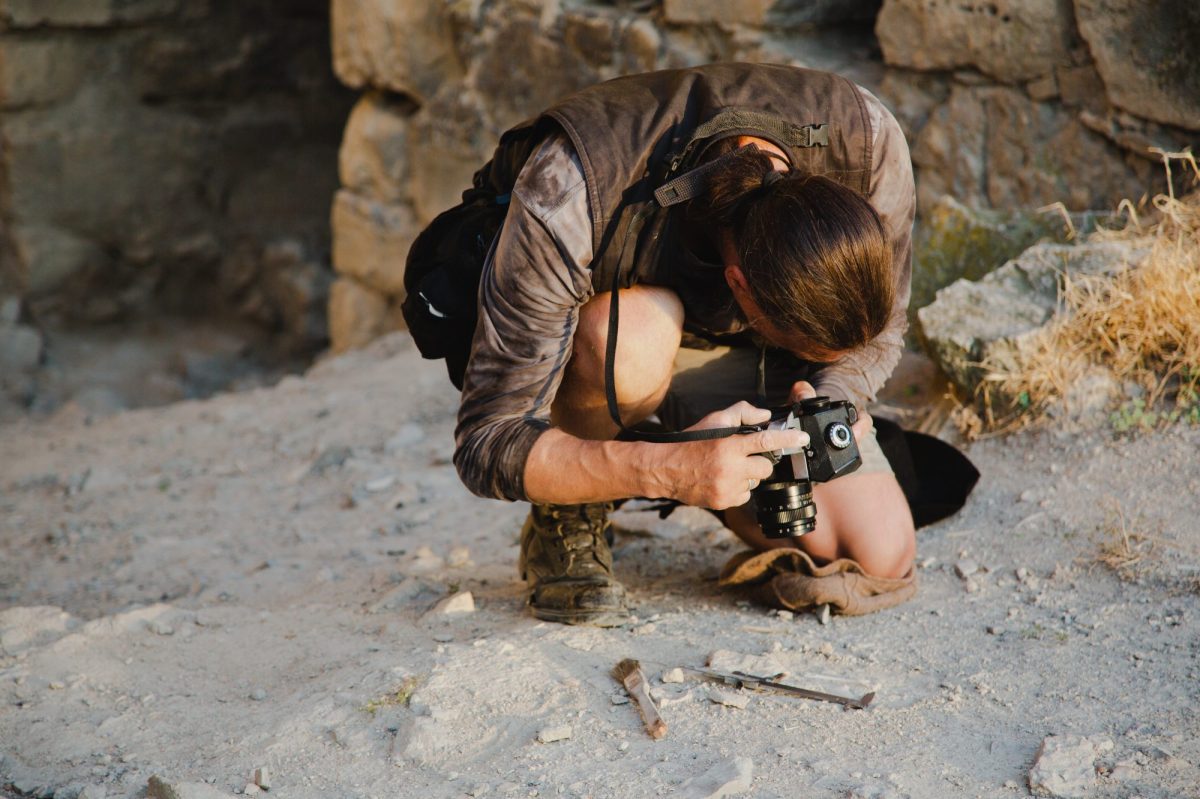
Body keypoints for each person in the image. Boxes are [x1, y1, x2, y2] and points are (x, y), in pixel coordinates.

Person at [448, 63, 917, 625]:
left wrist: (830, 397)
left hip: (751, 358)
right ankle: (570, 513)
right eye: (815, 348)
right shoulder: (571, 188)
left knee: (876, 555)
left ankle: (631, 458)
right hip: (609, 358)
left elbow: (881, 332)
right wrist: (669, 470)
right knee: (632, 332)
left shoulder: (866, 138)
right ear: (740, 288)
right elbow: (486, 442)